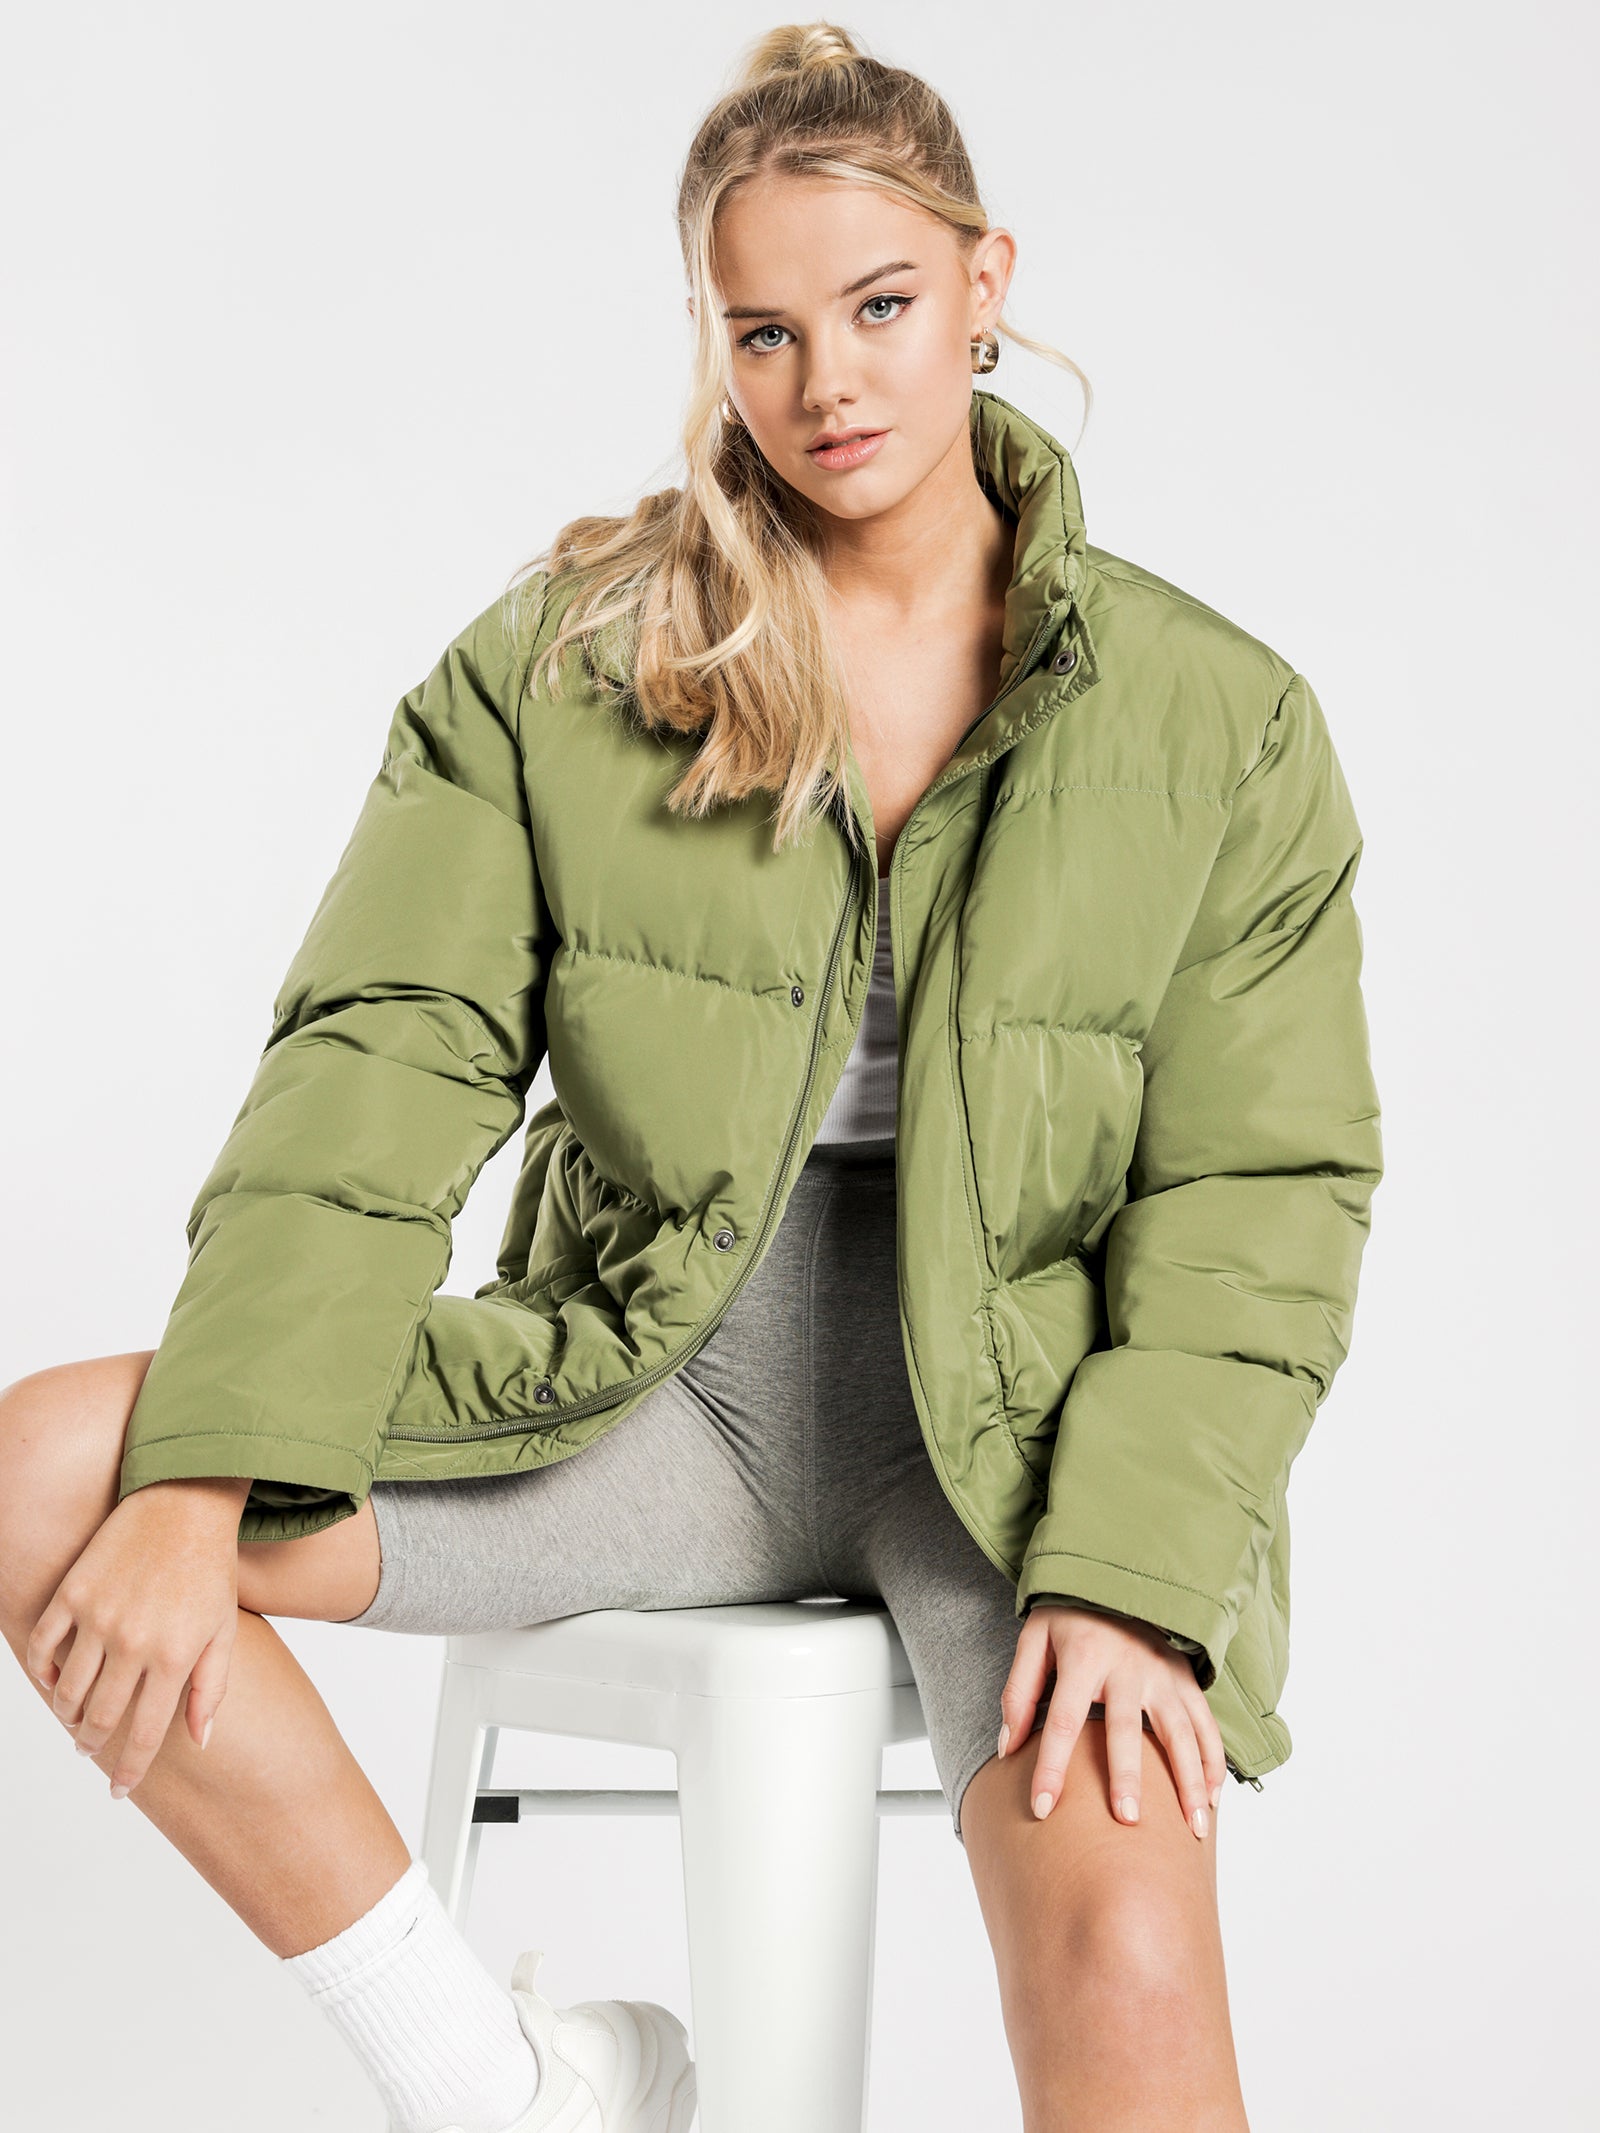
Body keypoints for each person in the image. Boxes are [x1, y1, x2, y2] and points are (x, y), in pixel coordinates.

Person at [0, 20, 1383, 2133]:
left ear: (987, 281)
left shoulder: (1220, 719)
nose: (827, 382)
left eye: (880, 306)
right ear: (710, 341)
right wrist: (204, 1467)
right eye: (763, 331)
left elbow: (1253, 1195)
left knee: (1120, 1955)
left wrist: (1126, 1570)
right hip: (652, 1386)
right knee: (47, 1470)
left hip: (1017, 1436)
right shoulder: (570, 665)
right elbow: (381, 1060)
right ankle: (508, 2089)